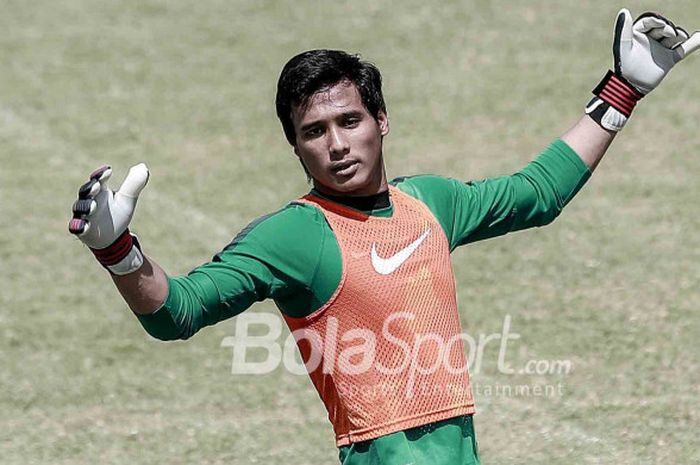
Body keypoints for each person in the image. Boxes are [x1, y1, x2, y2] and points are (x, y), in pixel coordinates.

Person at [68, 9, 699, 465]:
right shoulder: (293, 234)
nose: (337, 145)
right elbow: (179, 312)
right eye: (315, 132)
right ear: (295, 145)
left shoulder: (429, 203)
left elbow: (538, 194)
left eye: (350, 121)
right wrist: (119, 253)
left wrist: (624, 89)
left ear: (381, 120)